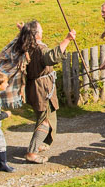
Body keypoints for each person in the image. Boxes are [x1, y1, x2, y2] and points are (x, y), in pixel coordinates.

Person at [11, 21, 76, 164]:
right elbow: (51, 57)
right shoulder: (39, 48)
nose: (42, 31)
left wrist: (23, 30)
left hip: (35, 87)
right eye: (40, 29)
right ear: (36, 34)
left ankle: (39, 144)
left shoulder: (26, 45)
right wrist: (67, 39)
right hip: (41, 89)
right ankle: (32, 153)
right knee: (44, 121)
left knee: (47, 117)